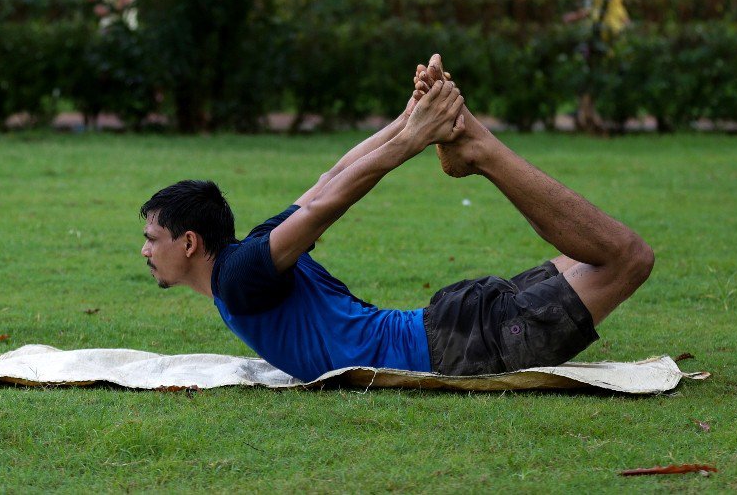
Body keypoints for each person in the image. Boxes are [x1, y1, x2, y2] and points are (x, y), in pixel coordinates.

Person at [139, 55, 654, 382]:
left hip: (457, 348)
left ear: (188, 242)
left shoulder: (241, 274)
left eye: (151, 238)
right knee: (604, 257)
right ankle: (466, 135)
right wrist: (409, 119)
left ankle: (479, 149)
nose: (144, 251)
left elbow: (325, 203)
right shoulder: (250, 256)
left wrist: (412, 137)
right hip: (451, 326)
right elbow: (330, 177)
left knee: (628, 258)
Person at [563, 0, 630, 133]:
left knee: (595, 71)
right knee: (597, 70)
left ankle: (586, 114)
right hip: (611, 28)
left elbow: (596, 7)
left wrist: (575, 16)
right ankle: (588, 113)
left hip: (603, 31)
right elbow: (617, 5)